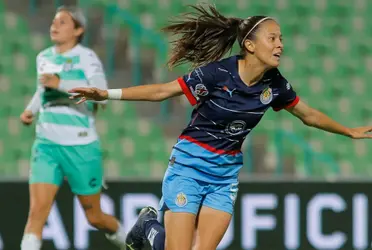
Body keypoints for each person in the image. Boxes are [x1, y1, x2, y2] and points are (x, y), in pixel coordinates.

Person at [69, 4, 372, 250]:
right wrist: (107, 93)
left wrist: (350, 131)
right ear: (250, 45)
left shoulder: (275, 85)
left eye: (281, 38)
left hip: (224, 175)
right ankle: (149, 227)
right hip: (189, 165)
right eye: (273, 38)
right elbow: (163, 91)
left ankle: (147, 228)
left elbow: (309, 115)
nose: (280, 44)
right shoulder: (216, 74)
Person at [19, 6, 127, 250]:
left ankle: (131, 241)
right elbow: (42, 89)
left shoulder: (87, 58)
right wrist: (31, 110)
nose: (54, 26)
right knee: (36, 214)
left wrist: (61, 83)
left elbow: (101, 94)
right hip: (46, 144)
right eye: (54, 21)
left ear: (79, 30)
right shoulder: (43, 56)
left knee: (95, 217)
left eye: (63, 22)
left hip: (80, 145)